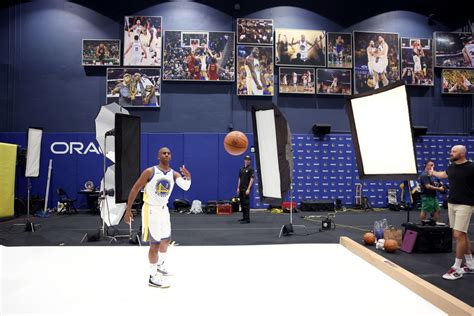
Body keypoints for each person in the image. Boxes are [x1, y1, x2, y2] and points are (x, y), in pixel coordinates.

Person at [124, 147, 191, 288]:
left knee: (166, 239)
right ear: (158, 157)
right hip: (151, 209)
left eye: (168, 153)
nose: (166, 154)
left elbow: (185, 187)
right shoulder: (150, 171)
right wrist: (128, 209)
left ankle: (160, 264)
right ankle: (152, 277)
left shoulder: (173, 174)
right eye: (163, 153)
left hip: (164, 209)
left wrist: (188, 177)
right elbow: (135, 188)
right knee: (154, 244)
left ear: (170, 157)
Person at [430, 145, 474, 280]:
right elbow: (443, 174)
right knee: (463, 234)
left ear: (462, 154)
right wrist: (433, 172)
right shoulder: (451, 166)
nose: (451, 153)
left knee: (458, 234)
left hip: (465, 205)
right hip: (452, 203)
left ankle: (456, 268)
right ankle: (471, 265)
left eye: (454, 152)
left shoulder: (472, 167)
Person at [236, 155, 254, 224]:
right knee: (242, 204)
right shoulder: (241, 169)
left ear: (250, 161)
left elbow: (252, 179)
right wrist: (238, 188)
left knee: (246, 204)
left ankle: (247, 219)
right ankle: (243, 217)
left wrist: (248, 189)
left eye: (248, 160)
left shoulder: (250, 169)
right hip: (240, 189)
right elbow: (239, 179)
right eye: (246, 159)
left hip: (246, 189)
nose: (247, 161)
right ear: (244, 160)